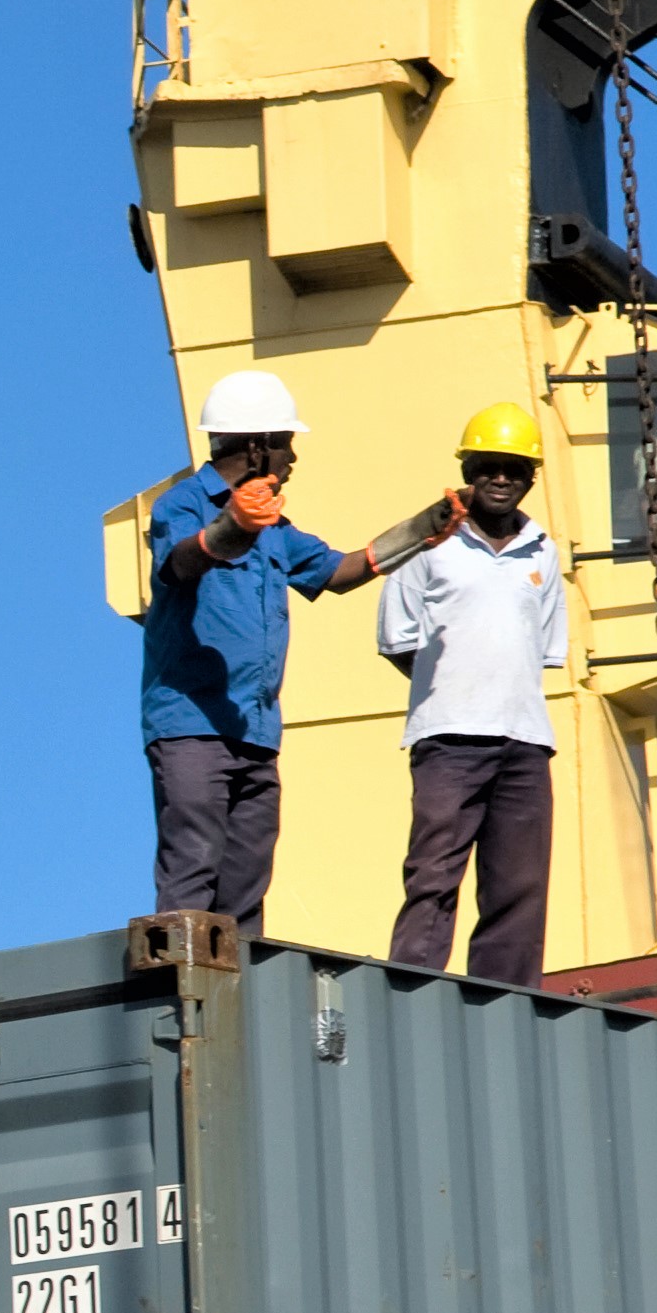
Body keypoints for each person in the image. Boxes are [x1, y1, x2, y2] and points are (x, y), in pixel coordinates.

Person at [141, 370, 459, 924]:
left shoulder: (276, 527)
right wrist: (230, 528)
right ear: (258, 446)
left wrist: (421, 530)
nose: (294, 457)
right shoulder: (183, 505)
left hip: (255, 733)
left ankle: (243, 1004)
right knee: (192, 871)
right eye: (287, 443)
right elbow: (178, 564)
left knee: (246, 888)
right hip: (192, 727)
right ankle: (181, 1000)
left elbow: (340, 570)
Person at [380, 402, 568, 985]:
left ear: (532, 477)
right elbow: (395, 639)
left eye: (515, 468)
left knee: (519, 885)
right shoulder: (428, 544)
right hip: (448, 741)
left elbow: (539, 648)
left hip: (525, 742)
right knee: (433, 875)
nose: (502, 478)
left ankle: (505, 1001)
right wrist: (453, 693)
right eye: (489, 465)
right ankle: (410, 990)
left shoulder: (544, 551)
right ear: (469, 468)